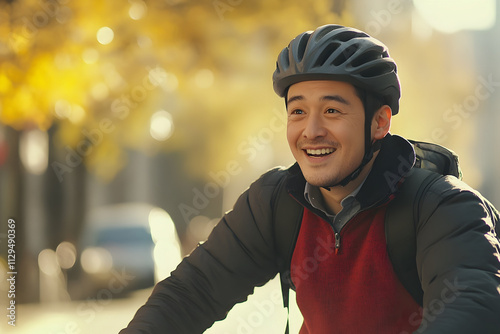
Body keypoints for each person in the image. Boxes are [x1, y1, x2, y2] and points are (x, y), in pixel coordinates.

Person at [120, 24, 500, 333]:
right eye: (298, 111)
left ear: (379, 122)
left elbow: (470, 306)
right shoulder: (275, 202)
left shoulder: (444, 206)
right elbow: (193, 293)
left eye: (332, 110)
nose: (311, 131)